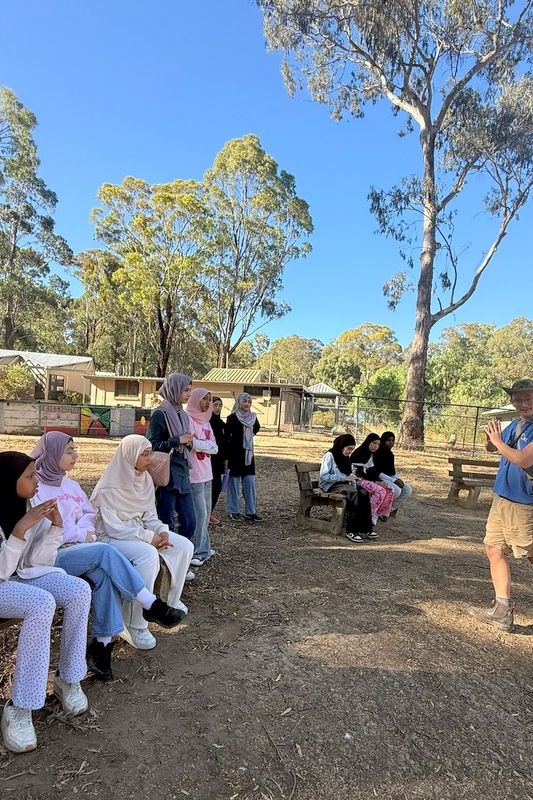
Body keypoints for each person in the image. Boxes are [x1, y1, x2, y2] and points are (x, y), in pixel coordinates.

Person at [31, 431, 184, 678]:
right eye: (69, 451)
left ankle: (101, 646)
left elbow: (88, 514)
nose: (75, 455)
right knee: (105, 550)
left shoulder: (71, 484)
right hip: (52, 554)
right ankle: (149, 602)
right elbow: (44, 528)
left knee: (103, 576)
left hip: (80, 548)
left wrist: (82, 532)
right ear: (51, 454)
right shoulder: (36, 487)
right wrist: (80, 535)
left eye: (75, 450)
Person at [0, 452, 91, 754]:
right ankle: (20, 706)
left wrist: (54, 527)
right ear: (7, 481)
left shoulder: (29, 507)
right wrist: (19, 530)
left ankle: (68, 678)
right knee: (40, 603)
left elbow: (37, 561)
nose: (36, 480)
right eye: (29, 475)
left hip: (20, 577)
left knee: (78, 590)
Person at [90, 435, 194, 650]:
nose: (150, 459)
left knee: (184, 546)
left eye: (150, 453)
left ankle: (169, 602)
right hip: (111, 538)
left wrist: (162, 532)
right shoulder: (109, 486)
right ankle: (136, 622)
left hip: (139, 531)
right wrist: (149, 538)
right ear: (130, 455)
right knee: (147, 554)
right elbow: (113, 527)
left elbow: (149, 516)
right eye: (144, 454)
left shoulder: (145, 478)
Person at [469, 379, 533, 632]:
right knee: (494, 548)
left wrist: (498, 442)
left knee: (529, 553)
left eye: (528, 398)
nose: (522, 404)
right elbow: (493, 448)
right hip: (502, 497)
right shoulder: (517, 425)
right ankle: (502, 610)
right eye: (518, 399)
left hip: (523, 502)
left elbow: (521, 458)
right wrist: (490, 439)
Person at [146, 373, 196, 540]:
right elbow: (151, 445)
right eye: (185, 390)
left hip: (182, 470)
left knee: (189, 521)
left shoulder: (183, 414)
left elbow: (182, 441)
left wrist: (188, 441)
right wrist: (177, 440)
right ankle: (166, 561)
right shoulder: (160, 413)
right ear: (174, 389)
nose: (189, 394)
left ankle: (181, 556)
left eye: (190, 390)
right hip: (166, 473)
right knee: (166, 522)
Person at [318, 434, 373, 542]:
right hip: (329, 485)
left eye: (352, 449)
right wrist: (344, 477)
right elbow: (324, 475)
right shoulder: (330, 455)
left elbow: (347, 473)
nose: (350, 452)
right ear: (342, 445)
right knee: (353, 494)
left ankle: (366, 528)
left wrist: (353, 478)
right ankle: (351, 531)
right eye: (349, 448)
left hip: (343, 484)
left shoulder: (345, 457)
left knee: (363, 492)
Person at [186, 388, 218, 567]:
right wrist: (203, 445)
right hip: (194, 474)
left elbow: (215, 447)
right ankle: (198, 550)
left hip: (207, 473)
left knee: (206, 514)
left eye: (210, 398)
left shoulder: (206, 422)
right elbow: (191, 443)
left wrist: (202, 444)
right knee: (199, 514)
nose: (208, 402)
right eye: (204, 399)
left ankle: (204, 546)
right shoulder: (188, 419)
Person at [225, 392, 261, 521]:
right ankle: (233, 510)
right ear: (239, 402)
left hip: (248, 456)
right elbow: (227, 438)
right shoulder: (232, 418)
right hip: (234, 455)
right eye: (244, 401)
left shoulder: (253, 418)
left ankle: (251, 511)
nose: (247, 404)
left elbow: (256, 429)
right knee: (233, 484)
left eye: (249, 402)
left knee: (249, 483)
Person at [350, 433, 395, 527]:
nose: (376, 446)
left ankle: (376, 515)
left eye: (378, 444)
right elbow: (358, 473)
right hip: (357, 479)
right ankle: (367, 517)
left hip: (367, 479)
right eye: (374, 443)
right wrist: (375, 482)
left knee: (390, 489)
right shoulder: (360, 452)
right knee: (380, 491)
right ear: (368, 442)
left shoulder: (372, 455)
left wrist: (379, 481)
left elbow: (372, 471)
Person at [373, 431, 413, 513]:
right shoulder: (377, 453)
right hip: (377, 477)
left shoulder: (390, 454)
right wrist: (394, 480)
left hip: (389, 477)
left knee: (407, 489)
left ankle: (388, 510)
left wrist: (397, 479)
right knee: (397, 491)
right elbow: (377, 472)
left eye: (393, 440)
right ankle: (380, 510)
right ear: (383, 440)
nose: (391, 442)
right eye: (388, 440)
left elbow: (391, 472)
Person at [209, 396, 226, 524]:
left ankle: (210, 512)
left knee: (217, 488)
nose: (218, 408)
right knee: (210, 488)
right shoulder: (206, 422)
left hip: (219, 460)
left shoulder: (221, 424)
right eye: (215, 405)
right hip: (208, 461)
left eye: (220, 405)